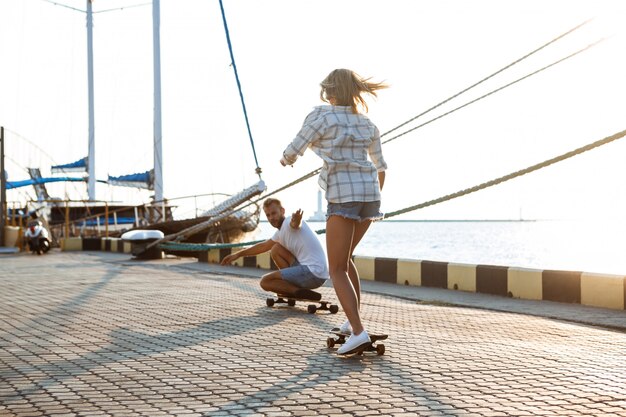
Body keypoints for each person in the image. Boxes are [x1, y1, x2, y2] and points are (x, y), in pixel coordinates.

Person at [280, 68, 388, 355]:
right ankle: (351, 322)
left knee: (335, 267)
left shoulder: (322, 116)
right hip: (370, 197)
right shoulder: (367, 123)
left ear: (330, 91)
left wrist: (285, 160)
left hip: (342, 196)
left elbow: (294, 148)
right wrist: (371, 197)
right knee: (346, 259)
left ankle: (358, 331)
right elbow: (381, 167)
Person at [220, 198, 329, 300]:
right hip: (319, 273)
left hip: (312, 272)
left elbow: (295, 224)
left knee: (265, 281)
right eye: (268, 215)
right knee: (276, 249)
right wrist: (238, 255)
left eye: (274, 213)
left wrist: (297, 221)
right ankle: (292, 289)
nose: (271, 218)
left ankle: (296, 291)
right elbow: (263, 246)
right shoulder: (279, 233)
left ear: (282, 211)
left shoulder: (288, 222)